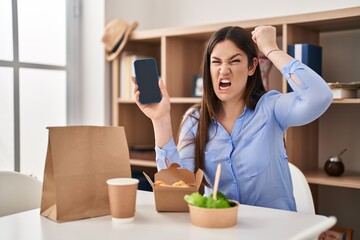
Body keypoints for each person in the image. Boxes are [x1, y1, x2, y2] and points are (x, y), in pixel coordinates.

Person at [132, 25, 332, 211]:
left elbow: (319, 96)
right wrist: (160, 120)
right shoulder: (196, 119)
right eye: (216, 62)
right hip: (222, 228)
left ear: (252, 67)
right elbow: (174, 186)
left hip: (276, 230)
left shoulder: (271, 107)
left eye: (234, 61)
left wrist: (270, 49)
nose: (223, 70)